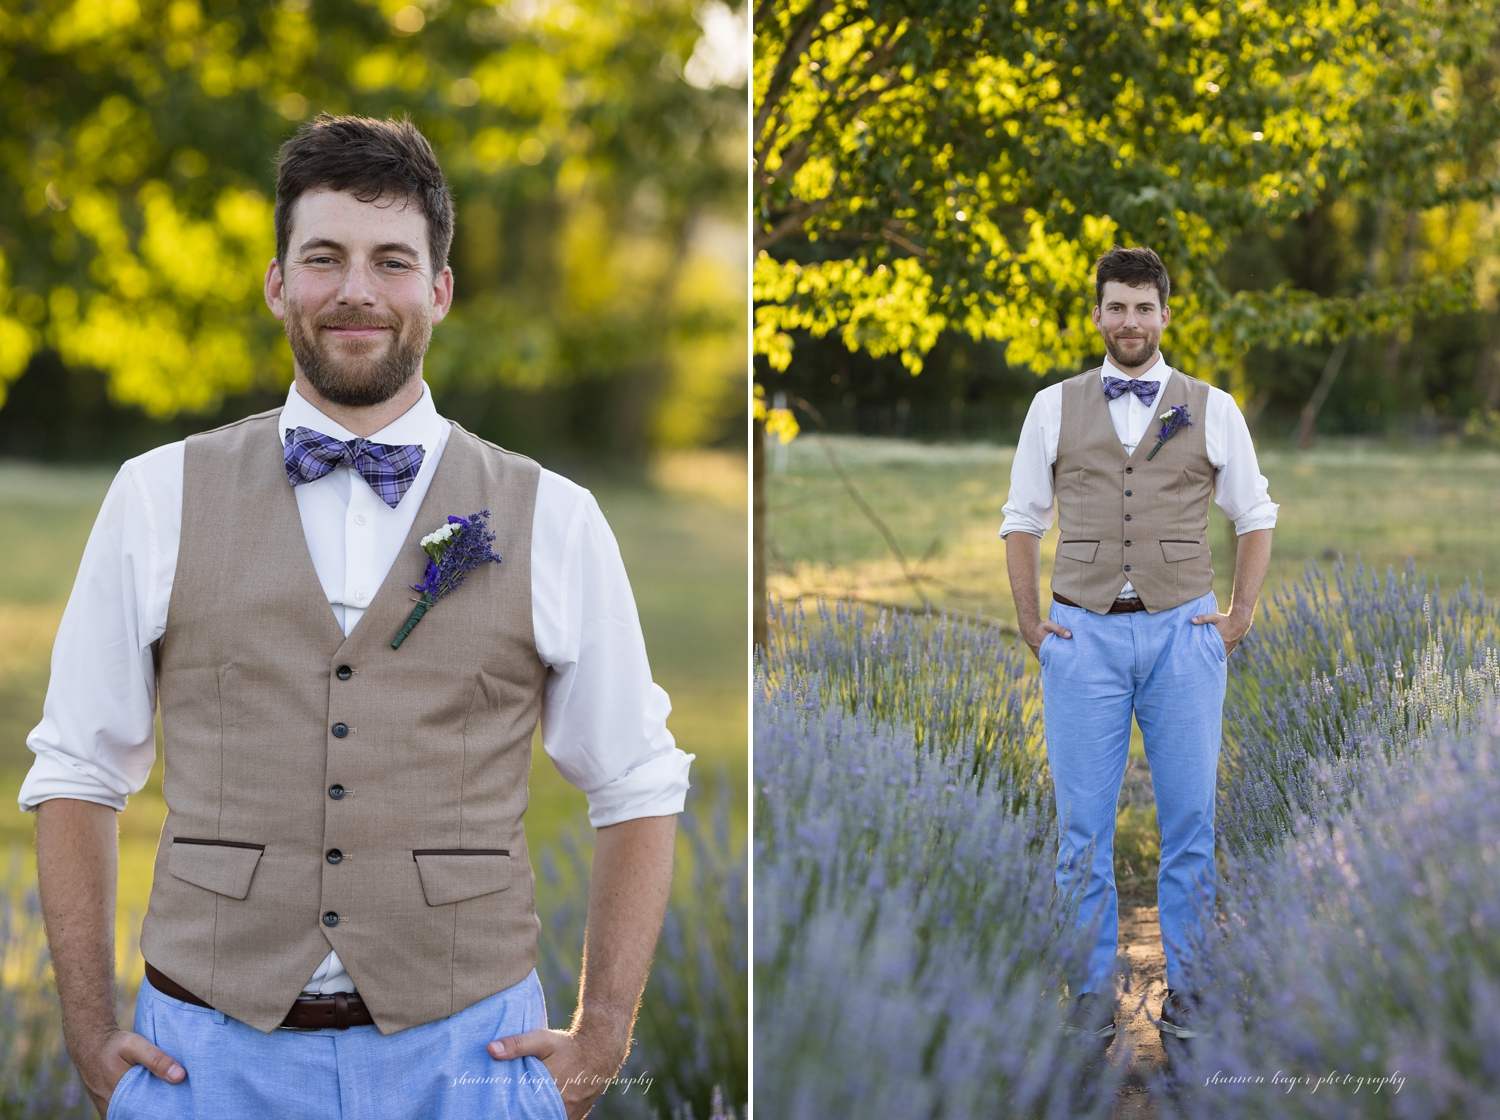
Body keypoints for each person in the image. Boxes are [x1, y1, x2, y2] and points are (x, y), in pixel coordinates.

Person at [19, 114, 693, 1120]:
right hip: (201, 1060)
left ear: (439, 290)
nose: (357, 291)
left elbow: (636, 778)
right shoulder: (155, 495)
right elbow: (78, 765)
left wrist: (601, 1038)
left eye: (392, 261)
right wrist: (86, 1030)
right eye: (323, 257)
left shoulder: (554, 515)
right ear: (278, 283)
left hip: (467, 1059)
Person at [999, 246, 1276, 1054]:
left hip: (1184, 636)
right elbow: (1021, 519)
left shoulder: (1212, 406)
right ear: (1097, 315)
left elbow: (1254, 514)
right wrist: (1028, 620)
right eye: (1115, 307)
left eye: (1142, 307)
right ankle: (1089, 996)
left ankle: (1189, 987)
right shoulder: (1052, 406)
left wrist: (1239, 616)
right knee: (1080, 828)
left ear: (1165, 313)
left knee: (1191, 819)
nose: (1129, 321)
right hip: (1081, 635)